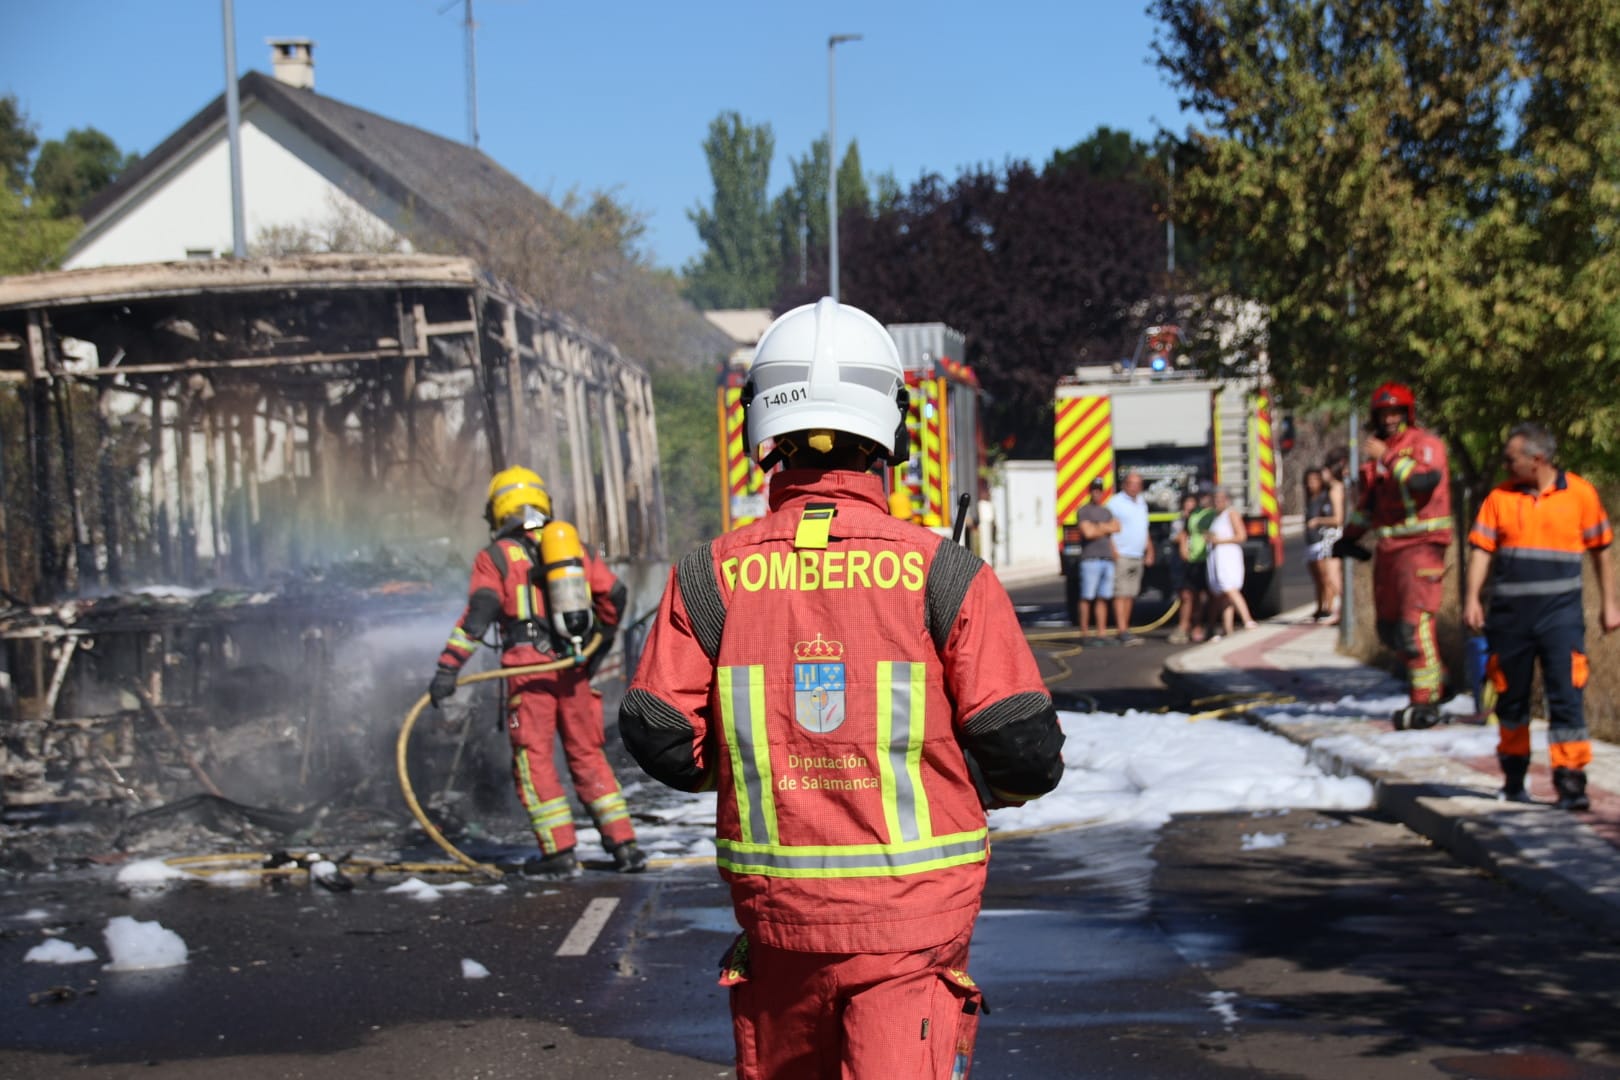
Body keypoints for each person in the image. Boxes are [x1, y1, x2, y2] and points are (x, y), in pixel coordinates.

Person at [619, 298, 1066, 1080]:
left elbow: (657, 732)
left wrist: (758, 764)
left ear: (763, 426)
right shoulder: (943, 572)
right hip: (914, 928)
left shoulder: (709, 575)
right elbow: (1025, 752)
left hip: (777, 925)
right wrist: (961, 778)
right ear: (889, 427)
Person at [426, 466, 647, 879]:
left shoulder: (494, 557)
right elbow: (614, 594)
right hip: (572, 668)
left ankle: (559, 854)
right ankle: (626, 847)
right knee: (588, 755)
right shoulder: (571, 547)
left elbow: (480, 613)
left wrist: (447, 668)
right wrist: (596, 646)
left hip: (528, 674)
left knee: (535, 760)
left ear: (497, 510)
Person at [1463, 423, 1620, 810]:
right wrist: (1471, 598)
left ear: (1537, 460)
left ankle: (1571, 784)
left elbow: (1601, 551)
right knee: (1511, 701)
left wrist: (1610, 604)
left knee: (1566, 699)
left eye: (1510, 457)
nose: (1505, 463)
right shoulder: (1498, 497)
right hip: (1509, 620)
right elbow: (1481, 551)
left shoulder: (1581, 494)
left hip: (1560, 619)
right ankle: (1514, 778)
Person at [1331, 383, 1454, 730]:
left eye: (1395, 412)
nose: (1388, 420)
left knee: (1413, 626)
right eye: (1383, 413)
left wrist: (1386, 456)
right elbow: (1367, 507)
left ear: (1408, 413)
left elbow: (1423, 482)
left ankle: (1424, 702)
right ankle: (1439, 682)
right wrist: (1348, 539)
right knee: (1389, 631)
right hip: (1388, 552)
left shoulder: (1424, 446)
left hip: (1421, 547)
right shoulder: (1376, 460)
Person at [1105, 470, 1153, 646]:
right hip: (1122, 553)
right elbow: (1109, 528)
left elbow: (1143, 528)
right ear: (1124, 485)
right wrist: (1113, 550)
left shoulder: (1141, 503)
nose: (1135, 487)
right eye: (1131, 484)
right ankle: (1121, 629)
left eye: (1138, 484)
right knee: (1121, 593)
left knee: (1131, 593)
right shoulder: (1115, 503)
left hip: (1137, 554)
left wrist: (1150, 550)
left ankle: (1126, 628)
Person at [1206, 487, 1258, 636]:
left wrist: (1220, 541)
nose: (1218, 502)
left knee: (1229, 587)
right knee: (1224, 594)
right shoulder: (1216, 516)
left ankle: (1247, 619)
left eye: (1221, 499)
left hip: (1229, 555)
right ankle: (1227, 628)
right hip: (1219, 557)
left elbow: (1241, 536)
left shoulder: (1231, 513)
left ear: (1227, 500)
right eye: (1215, 499)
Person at [1075, 477, 1119, 639]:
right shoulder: (1084, 511)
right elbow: (1088, 532)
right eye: (1094, 490)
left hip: (1106, 558)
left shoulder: (1106, 511)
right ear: (1090, 491)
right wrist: (1105, 528)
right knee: (1087, 596)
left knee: (1103, 597)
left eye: (1099, 490)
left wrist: (1098, 527)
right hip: (1090, 559)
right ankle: (1084, 631)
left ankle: (1101, 631)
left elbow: (1116, 527)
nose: (1097, 493)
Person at [1303, 465, 1345, 623]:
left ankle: (1331, 608)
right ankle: (1321, 607)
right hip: (1311, 541)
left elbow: (1337, 519)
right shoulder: (1310, 498)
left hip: (1325, 540)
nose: (1312, 483)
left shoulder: (1331, 493)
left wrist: (1319, 521)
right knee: (1318, 578)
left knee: (1329, 577)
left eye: (1316, 479)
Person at [1166, 492, 1200, 645]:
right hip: (1182, 562)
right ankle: (1183, 626)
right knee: (1185, 594)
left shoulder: (1201, 520)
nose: (1189, 508)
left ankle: (1197, 626)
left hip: (1198, 561)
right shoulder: (1178, 521)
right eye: (1186, 504)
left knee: (1198, 595)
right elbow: (1176, 537)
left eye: (1192, 505)